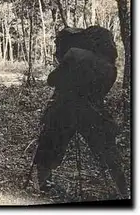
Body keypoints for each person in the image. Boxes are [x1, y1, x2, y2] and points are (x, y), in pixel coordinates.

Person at [33, 26, 128, 197]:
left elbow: (52, 80)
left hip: (65, 109)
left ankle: (44, 183)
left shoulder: (75, 54)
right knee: (108, 152)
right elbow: (101, 91)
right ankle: (123, 191)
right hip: (94, 112)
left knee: (49, 143)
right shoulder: (110, 68)